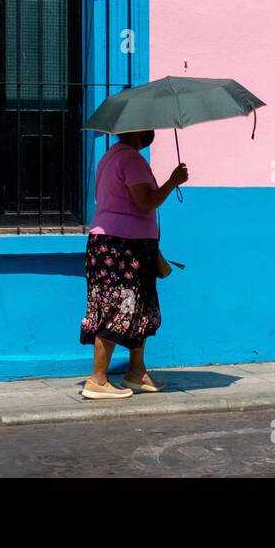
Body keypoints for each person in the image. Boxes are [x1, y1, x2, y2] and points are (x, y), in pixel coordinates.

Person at [79, 129, 188, 399]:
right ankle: (98, 379)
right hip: (122, 247)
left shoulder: (111, 157)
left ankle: (136, 373)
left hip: (122, 244)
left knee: (137, 309)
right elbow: (145, 203)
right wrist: (172, 182)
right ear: (137, 130)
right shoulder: (130, 160)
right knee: (118, 307)